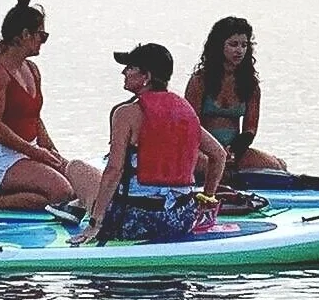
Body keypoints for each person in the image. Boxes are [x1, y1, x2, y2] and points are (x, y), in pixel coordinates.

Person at [0, 0, 101, 214]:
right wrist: (36, 153)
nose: (44, 41)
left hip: (28, 151)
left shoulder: (32, 69)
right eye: (42, 36)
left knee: (78, 184)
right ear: (24, 35)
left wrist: (50, 149)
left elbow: (34, 117)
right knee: (62, 192)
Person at [80, 44, 227, 243]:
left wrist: (95, 223)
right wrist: (207, 199)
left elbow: (114, 171)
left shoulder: (126, 114)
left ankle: (82, 210)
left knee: (77, 169)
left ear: (146, 77)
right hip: (181, 219)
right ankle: (78, 205)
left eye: (130, 67)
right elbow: (219, 155)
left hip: (135, 221)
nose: (124, 72)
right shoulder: (185, 111)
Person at [183, 17, 287, 177]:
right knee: (211, 167)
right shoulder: (200, 81)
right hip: (202, 149)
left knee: (277, 168)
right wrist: (215, 150)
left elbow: (250, 129)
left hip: (235, 150)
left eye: (244, 45)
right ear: (219, 46)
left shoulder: (251, 85)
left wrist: (234, 150)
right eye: (233, 44)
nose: (239, 50)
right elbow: (191, 124)